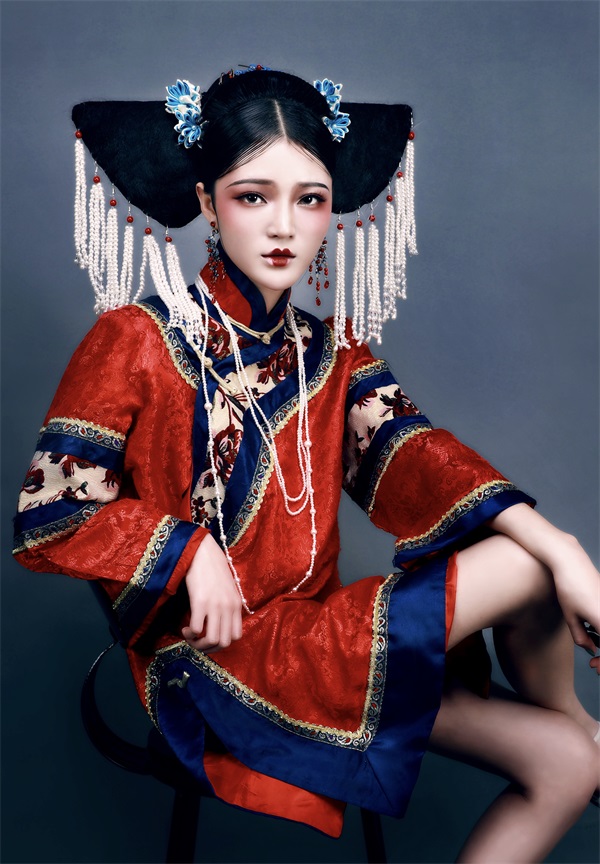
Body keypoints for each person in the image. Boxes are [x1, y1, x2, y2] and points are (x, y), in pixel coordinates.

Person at [13, 67, 599, 861]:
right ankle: (583, 718)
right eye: (253, 197)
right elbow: (51, 511)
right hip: (212, 661)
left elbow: (419, 457)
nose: (284, 226)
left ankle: (579, 730)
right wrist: (188, 549)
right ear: (206, 201)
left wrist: (564, 548)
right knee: (528, 564)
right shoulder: (136, 340)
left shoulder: (333, 355)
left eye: (310, 199)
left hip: (321, 647)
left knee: (567, 763)